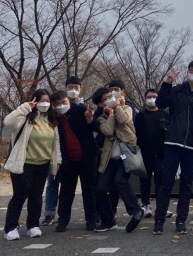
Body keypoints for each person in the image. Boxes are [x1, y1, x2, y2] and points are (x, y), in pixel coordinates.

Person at [153, 61, 193, 235]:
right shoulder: (176, 90)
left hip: (192, 145)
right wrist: (167, 82)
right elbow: (161, 103)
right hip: (173, 142)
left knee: (187, 184)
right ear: (187, 71)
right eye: (192, 70)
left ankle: (181, 221)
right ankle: (159, 220)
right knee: (166, 182)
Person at [3, 89, 61, 241]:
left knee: (36, 195)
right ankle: (11, 227)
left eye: (47, 100)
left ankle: (33, 225)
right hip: (24, 163)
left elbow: (56, 143)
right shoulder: (25, 118)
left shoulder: (51, 120)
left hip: (42, 164)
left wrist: (57, 161)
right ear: (35, 101)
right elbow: (7, 121)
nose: (45, 103)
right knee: (20, 194)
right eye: (41, 100)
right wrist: (25, 107)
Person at [93, 87, 144, 233]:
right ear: (102, 104)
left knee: (119, 180)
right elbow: (108, 131)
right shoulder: (101, 117)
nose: (110, 99)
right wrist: (110, 115)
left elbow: (124, 120)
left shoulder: (126, 108)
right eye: (106, 99)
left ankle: (136, 211)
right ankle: (108, 221)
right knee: (100, 188)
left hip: (125, 155)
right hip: (110, 157)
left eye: (111, 96)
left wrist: (118, 107)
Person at [53, 90, 98, 232]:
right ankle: (63, 221)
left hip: (86, 157)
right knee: (66, 192)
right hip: (67, 161)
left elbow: (95, 128)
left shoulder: (81, 110)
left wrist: (90, 119)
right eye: (57, 104)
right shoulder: (53, 118)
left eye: (64, 102)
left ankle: (91, 220)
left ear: (69, 101)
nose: (61, 106)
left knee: (89, 190)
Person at [42, 76, 82, 226]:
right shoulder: (51, 116)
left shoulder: (80, 108)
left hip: (74, 156)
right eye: (70, 87)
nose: (73, 90)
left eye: (76, 87)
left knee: (67, 188)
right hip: (54, 155)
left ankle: (63, 217)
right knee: (52, 183)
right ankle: (49, 213)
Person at [135, 89, 168, 219]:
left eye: (154, 96)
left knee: (161, 181)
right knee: (145, 180)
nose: (152, 99)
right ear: (145, 99)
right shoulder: (140, 115)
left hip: (161, 153)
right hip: (145, 153)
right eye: (149, 97)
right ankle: (145, 205)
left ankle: (161, 207)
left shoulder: (164, 114)